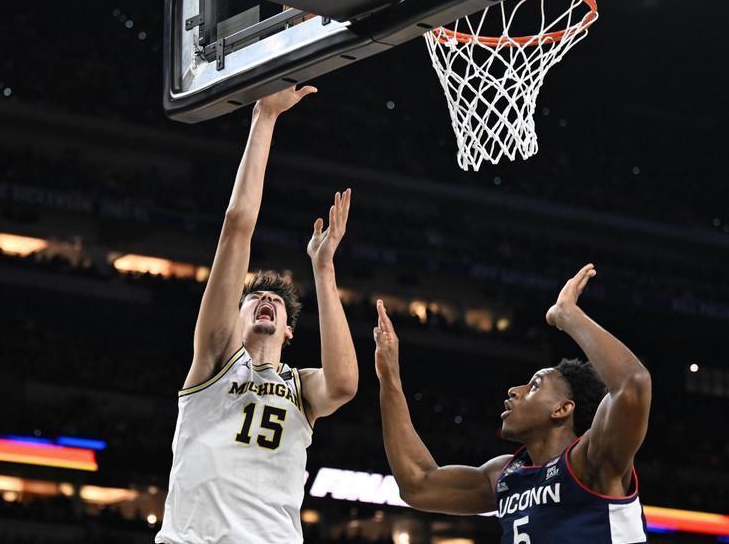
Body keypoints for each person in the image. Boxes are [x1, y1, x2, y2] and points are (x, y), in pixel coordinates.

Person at [156, 85, 359, 544]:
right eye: (255, 299)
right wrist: (264, 117)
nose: (267, 300)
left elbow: (344, 384)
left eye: (278, 303)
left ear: (289, 330)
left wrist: (323, 268)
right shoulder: (213, 359)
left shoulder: (301, 387)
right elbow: (236, 229)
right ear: (237, 316)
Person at [374, 264, 652, 543]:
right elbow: (418, 484)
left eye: (534, 386)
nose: (514, 391)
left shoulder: (592, 459)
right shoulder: (506, 475)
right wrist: (390, 380)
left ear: (562, 409)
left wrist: (568, 315)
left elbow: (633, 384)